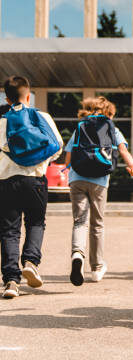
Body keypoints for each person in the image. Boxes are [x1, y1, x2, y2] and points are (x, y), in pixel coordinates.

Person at [0, 76, 63, 298]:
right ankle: (30, 262)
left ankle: (10, 282)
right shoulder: (41, 116)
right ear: (29, 96)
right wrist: (40, 161)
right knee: (36, 222)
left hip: (7, 181)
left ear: (6, 98)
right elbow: (57, 145)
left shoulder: (2, 121)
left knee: (9, 230)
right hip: (36, 179)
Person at [65, 97, 133, 286]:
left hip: (77, 179)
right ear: (108, 113)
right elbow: (123, 151)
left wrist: (69, 171)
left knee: (79, 221)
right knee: (97, 224)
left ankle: (77, 255)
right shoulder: (113, 129)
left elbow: (68, 158)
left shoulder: (80, 126)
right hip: (99, 181)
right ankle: (96, 268)